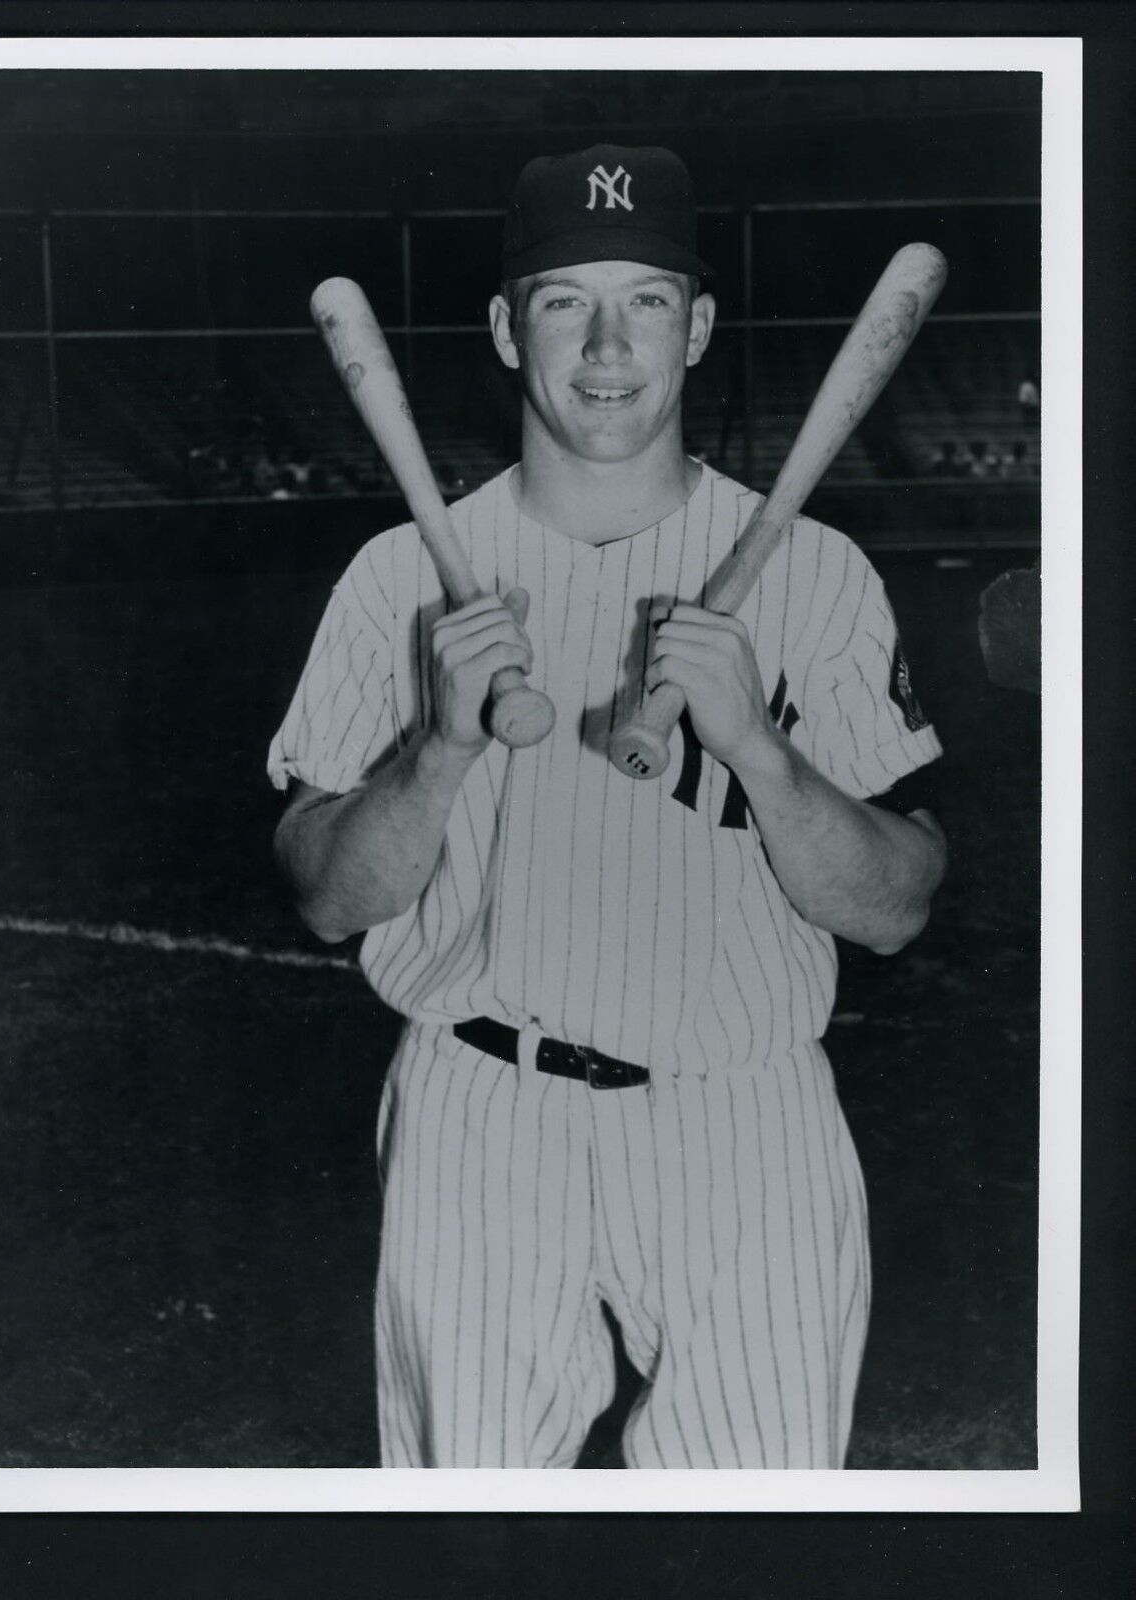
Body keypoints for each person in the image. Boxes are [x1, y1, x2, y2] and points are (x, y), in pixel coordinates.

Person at [268, 145, 947, 1469]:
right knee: (465, 1538)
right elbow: (325, 896)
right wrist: (440, 750)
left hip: (742, 1119)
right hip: (478, 1114)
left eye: (644, 299)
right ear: (507, 329)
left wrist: (761, 746)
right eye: (564, 298)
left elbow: (898, 910)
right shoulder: (396, 577)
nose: (605, 341)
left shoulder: (818, 574)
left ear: (695, 327)